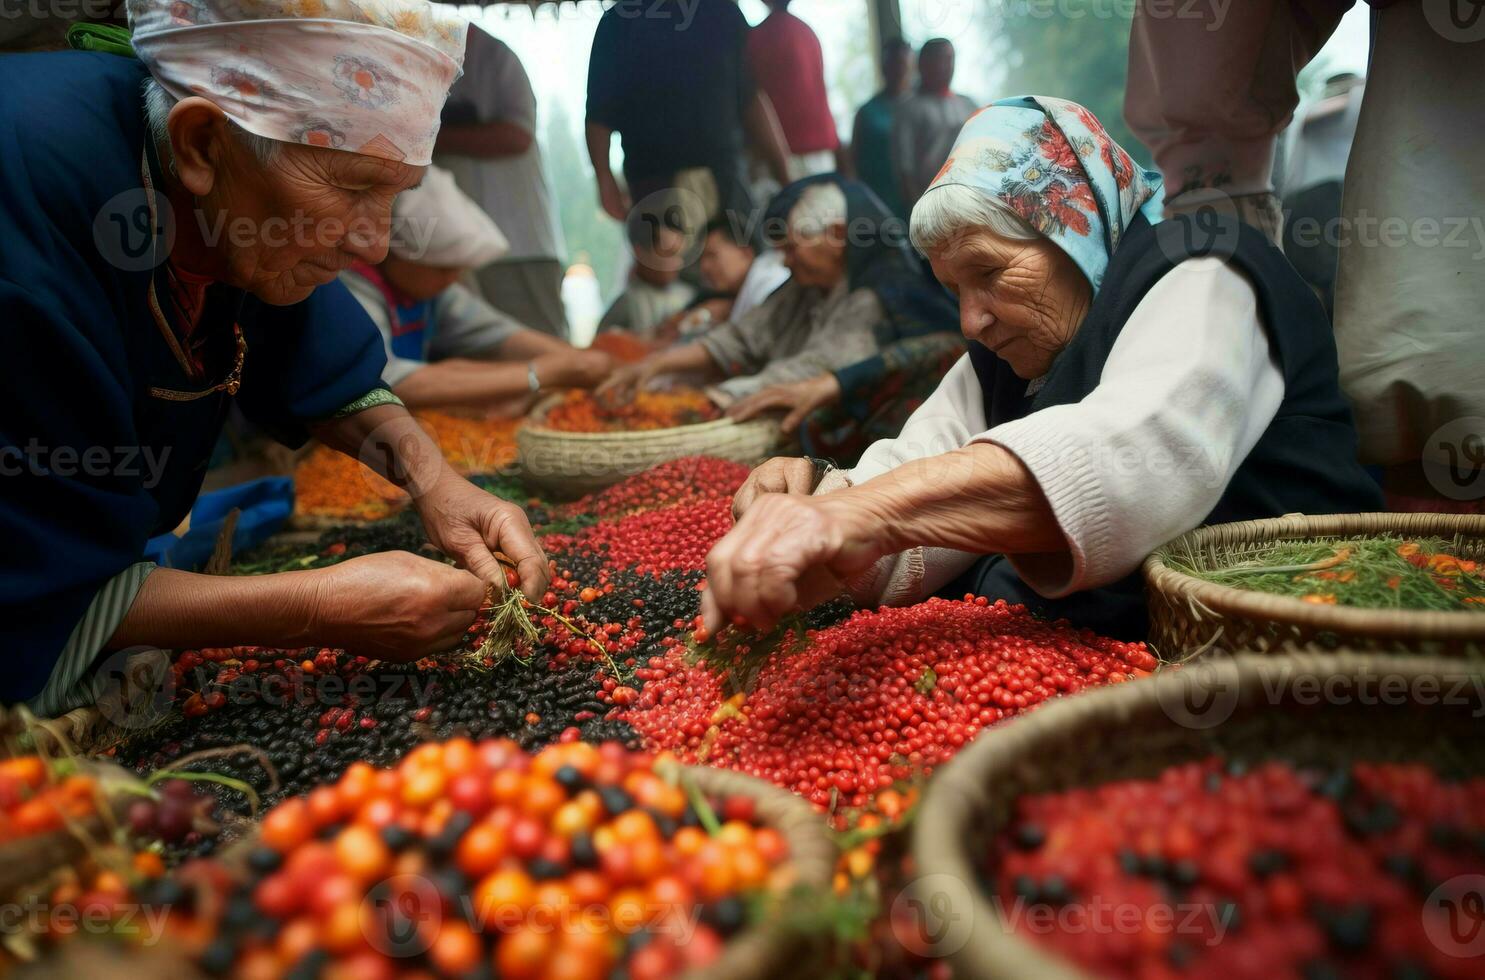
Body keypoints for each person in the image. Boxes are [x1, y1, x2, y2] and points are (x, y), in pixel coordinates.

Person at [0, 0, 552, 714]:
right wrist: (314, 604)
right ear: (200, 141)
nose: (375, 245)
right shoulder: (28, 213)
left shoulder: (241, 203)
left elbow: (311, 357)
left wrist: (435, 481)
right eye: (354, 188)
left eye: (395, 195)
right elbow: (37, 586)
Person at [698, 97, 1382, 641]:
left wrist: (861, 512)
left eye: (990, 272)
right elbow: (919, 460)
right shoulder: (1003, 355)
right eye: (952, 289)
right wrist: (817, 502)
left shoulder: (1204, 272)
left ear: (1074, 230)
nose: (970, 320)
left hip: (1295, 639)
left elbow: (1127, 457)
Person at [1124, 0, 1485, 510]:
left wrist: (1217, 207)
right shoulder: (1340, 109)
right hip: (1418, 262)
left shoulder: (1324, 113)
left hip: (1424, 311)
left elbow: (1209, 48)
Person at [598, 175, 960, 431]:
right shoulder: (808, 283)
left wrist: (709, 401)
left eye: (790, 247)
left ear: (835, 235)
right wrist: (658, 364)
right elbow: (742, 337)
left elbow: (811, 371)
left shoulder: (874, 297)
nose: (784, 261)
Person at [341, 168, 612, 415]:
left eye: (457, 268)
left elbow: (499, 335)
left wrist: (578, 361)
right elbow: (386, 378)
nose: (453, 278)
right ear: (394, 253)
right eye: (442, 268)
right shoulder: (353, 285)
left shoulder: (434, 292)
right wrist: (541, 373)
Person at [584, 0, 789, 230]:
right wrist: (603, 177)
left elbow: (750, 97)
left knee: (737, 260)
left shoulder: (722, 11)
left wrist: (783, 171)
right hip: (654, 181)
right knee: (667, 262)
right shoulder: (618, 21)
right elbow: (598, 114)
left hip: (724, 177)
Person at [436, 24, 570, 339]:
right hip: (455, 247)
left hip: (519, 244)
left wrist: (431, 137)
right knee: (480, 354)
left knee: (545, 353)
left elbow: (518, 135)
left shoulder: (493, 55)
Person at [746, 0, 842, 200]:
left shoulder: (756, 38)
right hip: (822, 159)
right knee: (830, 228)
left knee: (778, 228)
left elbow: (752, 105)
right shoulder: (808, 33)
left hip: (780, 163)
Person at [891, 38, 977, 209]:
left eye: (950, 59)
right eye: (939, 59)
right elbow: (904, 168)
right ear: (922, 64)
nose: (946, 66)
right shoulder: (909, 110)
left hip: (969, 200)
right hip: (931, 203)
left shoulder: (968, 105)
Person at [598, 210, 699, 340]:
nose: (678, 263)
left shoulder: (690, 296)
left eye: (680, 254)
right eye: (669, 253)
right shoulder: (627, 303)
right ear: (640, 252)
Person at [851, 38, 914, 219]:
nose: (898, 70)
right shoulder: (867, 113)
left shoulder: (921, 109)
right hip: (878, 204)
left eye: (902, 63)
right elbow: (853, 160)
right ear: (883, 66)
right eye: (892, 63)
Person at [697, 217, 790, 324]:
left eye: (711, 255)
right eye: (701, 259)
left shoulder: (769, 284)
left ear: (746, 253)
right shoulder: (738, 296)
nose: (704, 267)